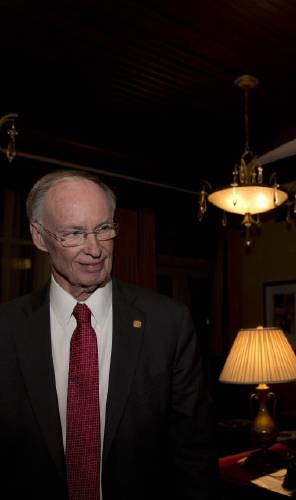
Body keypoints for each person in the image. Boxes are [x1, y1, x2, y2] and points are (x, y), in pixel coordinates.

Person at [0, 170, 217, 499]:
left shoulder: (169, 323)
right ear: (40, 237)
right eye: (74, 233)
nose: (95, 249)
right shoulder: (6, 329)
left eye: (104, 229)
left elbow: (194, 455)